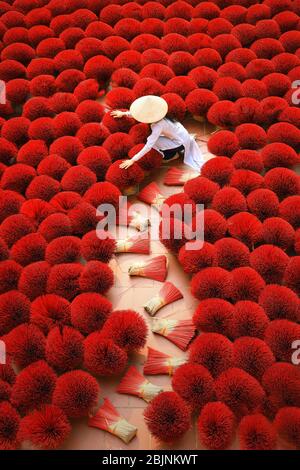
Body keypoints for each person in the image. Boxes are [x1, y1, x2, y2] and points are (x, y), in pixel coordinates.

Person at [110, 95, 204, 172]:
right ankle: (175, 150)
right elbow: (140, 113)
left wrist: (132, 160)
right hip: (183, 135)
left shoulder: (158, 126)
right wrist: (124, 114)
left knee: (152, 141)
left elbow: (148, 146)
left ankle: (171, 156)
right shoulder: (164, 115)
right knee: (154, 138)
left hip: (180, 143)